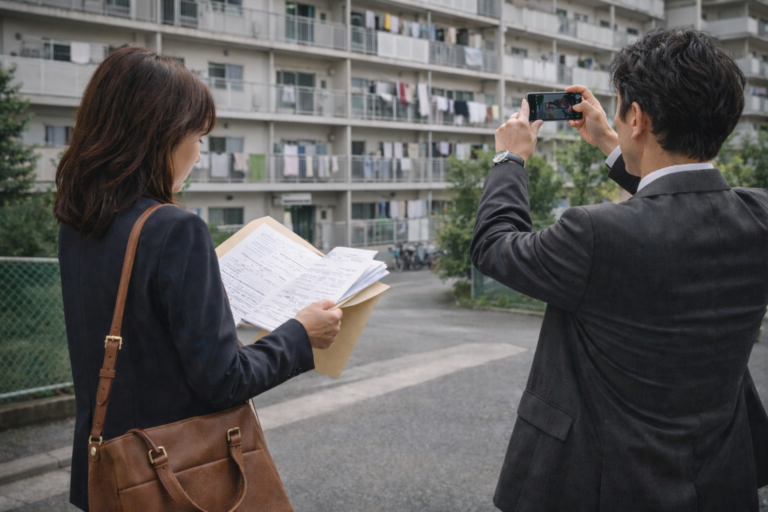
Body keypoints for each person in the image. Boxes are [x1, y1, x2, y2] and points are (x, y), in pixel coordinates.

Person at [471, 28, 768, 511]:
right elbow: (679, 204)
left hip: (606, 485)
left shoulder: (593, 234)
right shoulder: (758, 218)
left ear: (639, 118)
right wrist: (613, 143)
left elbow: (494, 247)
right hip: (720, 477)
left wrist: (510, 158)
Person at [53, 47, 343, 511]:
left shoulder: (78, 222)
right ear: (162, 136)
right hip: (174, 477)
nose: (200, 153)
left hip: (106, 471)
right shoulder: (175, 229)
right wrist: (301, 336)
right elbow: (224, 380)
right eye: (198, 135)